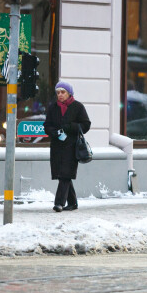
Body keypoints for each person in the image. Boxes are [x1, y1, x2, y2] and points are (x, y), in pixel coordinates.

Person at [44, 81, 91, 212]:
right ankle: (73, 202)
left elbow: (86, 125)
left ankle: (59, 203)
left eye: (63, 92)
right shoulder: (53, 107)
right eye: (58, 92)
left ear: (69, 93)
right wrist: (54, 132)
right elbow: (47, 125)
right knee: (63, 174)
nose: (60, 95)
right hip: (57, 146)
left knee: (65, 174)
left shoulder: (78, 107)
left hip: (71, 146)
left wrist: (70, 127)